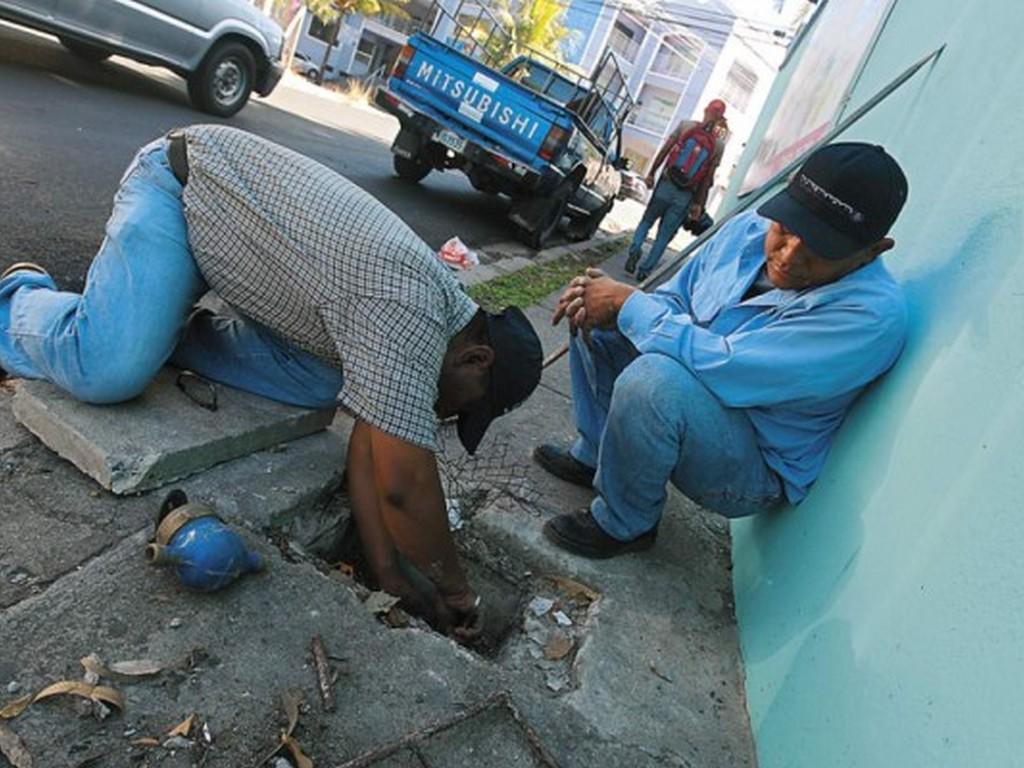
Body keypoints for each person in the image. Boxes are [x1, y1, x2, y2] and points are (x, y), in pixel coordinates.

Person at [0, 125, 543, 633]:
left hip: (239, 255)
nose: (445, 416)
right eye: (462, 408)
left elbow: (369, 446)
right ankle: (20, 299)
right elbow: (403, 488)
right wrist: (459, 593)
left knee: (322, 385)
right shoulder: (410, 312)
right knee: (109, 370)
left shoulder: (433, 320)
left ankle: (162, 326)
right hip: (181, 190)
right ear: (477, 360)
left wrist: (389, 572)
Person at [534, 142, 909, 558]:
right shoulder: (747, 230)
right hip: (697, 385)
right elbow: (675, 302)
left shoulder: (871, 317)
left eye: (818, 249)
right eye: (786, 229)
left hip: (749, 461)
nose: (787, 256)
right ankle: (596, 453)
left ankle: (626, 522)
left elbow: (728, 368)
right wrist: (610, 303)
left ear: (875, 250)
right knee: (599, 314)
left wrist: (628, 304)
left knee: (652, 379)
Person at [625, 99, 729, 281]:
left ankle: (635, 249)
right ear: (720, 119)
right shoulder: (718, 146)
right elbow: (707, 179)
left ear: (705, 110)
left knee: (647, 221)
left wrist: (651, 173)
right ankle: (644, 271)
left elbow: (665, 150)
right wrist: (698, 204)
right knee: (663, 236)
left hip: (666, 184)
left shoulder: (686, 126)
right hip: (685, 195)